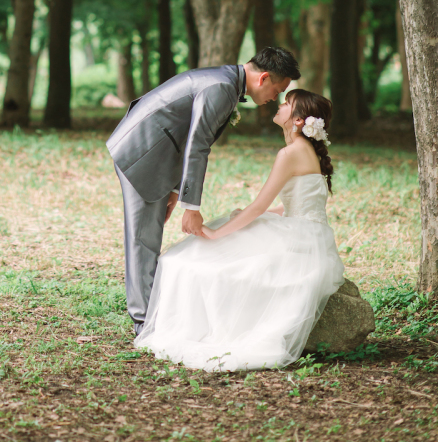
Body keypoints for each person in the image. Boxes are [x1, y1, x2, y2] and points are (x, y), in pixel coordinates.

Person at [135, 88, 344, 371]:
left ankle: (193, 330)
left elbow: (258, 206)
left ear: (298, 120)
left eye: (286, 104)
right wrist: (251, 217)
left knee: (192, 258)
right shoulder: (308, 151)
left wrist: (217, 234)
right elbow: (296, 204)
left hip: (297, 240)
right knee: (224, 237)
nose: (280, 106)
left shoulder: (290, 153)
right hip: (311, 235)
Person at [107, 46, 300, 335]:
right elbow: (198, 144)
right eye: (278, 89)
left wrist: (174, 188)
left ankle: (149, 313)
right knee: (143, 238)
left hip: (159, 152)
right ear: (264, 79)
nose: (277, 98)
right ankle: (143, 322)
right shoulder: (221, 87)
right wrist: (191, 208)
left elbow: (187, 134)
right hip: (142, 150)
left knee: (148, 233)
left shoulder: (227, 81)